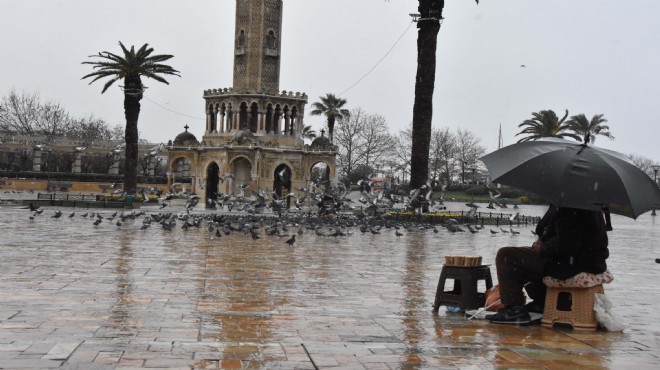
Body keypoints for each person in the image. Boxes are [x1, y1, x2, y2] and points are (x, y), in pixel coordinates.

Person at [487, 205, 609, 324]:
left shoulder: (570, 207)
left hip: (571, 263)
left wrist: (542, 248)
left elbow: (565, 243)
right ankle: (543, 302)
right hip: (592, 262)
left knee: (506, 256)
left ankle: (515, 309)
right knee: (528, 259)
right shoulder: (591, 205)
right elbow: (542, 229)